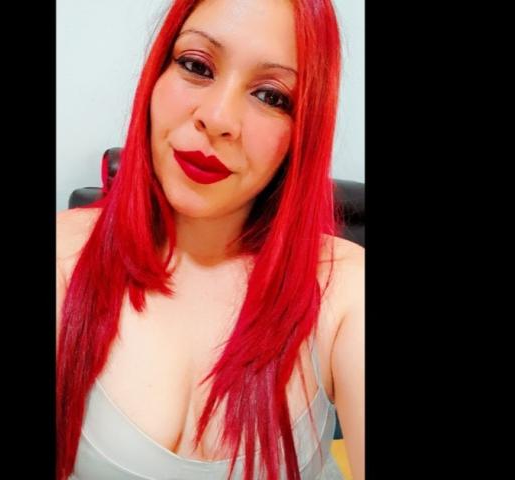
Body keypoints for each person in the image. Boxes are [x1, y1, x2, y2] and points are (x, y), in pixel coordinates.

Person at [56, 0, 364, 478]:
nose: (219, 118)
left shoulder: (344, 287)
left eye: (271, 96)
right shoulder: (64, 256)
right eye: (197, 66)